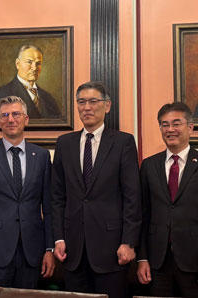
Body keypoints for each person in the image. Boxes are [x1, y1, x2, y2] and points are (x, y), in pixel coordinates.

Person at [51, 81, 140, 298]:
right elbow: (57, 197)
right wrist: (58, 238)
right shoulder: (64, 143)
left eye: (93, 101)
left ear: (107, 106)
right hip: (73, 250)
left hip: (112, 250)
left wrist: (128, 242)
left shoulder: (123, 142)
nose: (87, 107)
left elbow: (132, 197)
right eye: (81, 102)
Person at [0, 96, 55, 298]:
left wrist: (49, 249)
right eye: (4, 115)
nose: (10, 119)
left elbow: (49, 207)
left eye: (16, 114)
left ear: (26, 119)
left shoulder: (42, 157)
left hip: (32, 253)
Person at [137, 102, 198, 298]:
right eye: (165, 124)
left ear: (190, 127)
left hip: (196, 261)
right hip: (157, 261)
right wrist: (142, 258)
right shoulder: (149, 165)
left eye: (176, 124)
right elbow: (143, 215)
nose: (170, 129)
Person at [0, 44, 62, 119]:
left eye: (38, 63)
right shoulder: (1, 94)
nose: (34, 68)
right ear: (17, 64)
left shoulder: (48, 98)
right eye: (29, 62)